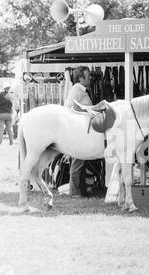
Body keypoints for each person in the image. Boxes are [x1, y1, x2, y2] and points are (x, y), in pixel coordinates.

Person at [64, 66, 93, 197]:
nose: (90, 78)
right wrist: (86, 111)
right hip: (79, 130)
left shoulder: (81, 90)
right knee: (78, 161)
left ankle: (79, 189)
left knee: (80, 161)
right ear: (81, 78)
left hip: (83, 129)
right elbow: (68, 108)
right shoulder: (76, 90)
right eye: (87, 76)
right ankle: (74, 191)